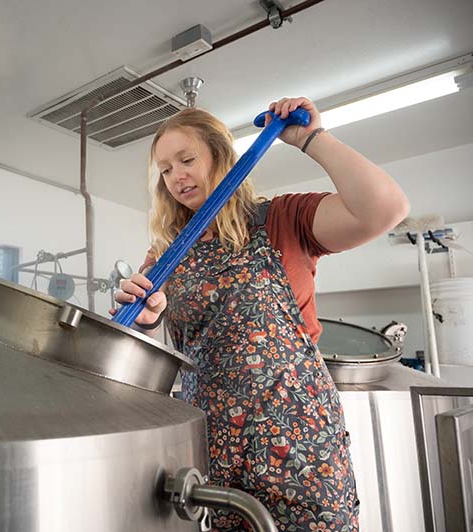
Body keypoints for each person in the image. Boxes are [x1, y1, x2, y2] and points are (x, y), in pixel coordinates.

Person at [111, 97, 409, 531]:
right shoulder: (166, 251)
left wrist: (311, 140)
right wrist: (144, 315)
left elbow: (385, 209)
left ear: (221, 156)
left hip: (298, 440)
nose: (176, 176)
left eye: (186, 159)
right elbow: (146, 330)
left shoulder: (282, 219)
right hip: (212, 442)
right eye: (165, 169)